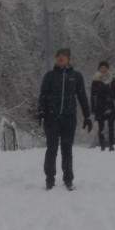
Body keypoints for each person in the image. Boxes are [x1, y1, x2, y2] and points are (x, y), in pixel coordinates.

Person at [37, 48, 92, 190]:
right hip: (51, 117)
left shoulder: (76, 76)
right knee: (52, 148)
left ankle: (68, 179)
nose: (60, 58)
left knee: (67, 149)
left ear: (68, 59)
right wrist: (41, 111)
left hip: (69, 118)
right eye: (58, 56)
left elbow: (82, 96)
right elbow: (43, 95)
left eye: (63, 56)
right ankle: (50, 179)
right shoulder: (50, 76)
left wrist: (87, 115)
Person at [91, 60, 115, 151]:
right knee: (101, 127)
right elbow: (93, 95)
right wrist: (92, 107)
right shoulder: (95, 80)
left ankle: (111, 144)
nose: (103, 69)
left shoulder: (111, 79)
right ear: (99, 69)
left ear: (107, 68)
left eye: (105, 67)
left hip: (110, 104)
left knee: (111, 126)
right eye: (102, 67)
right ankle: (102, 145)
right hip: (99, 105)